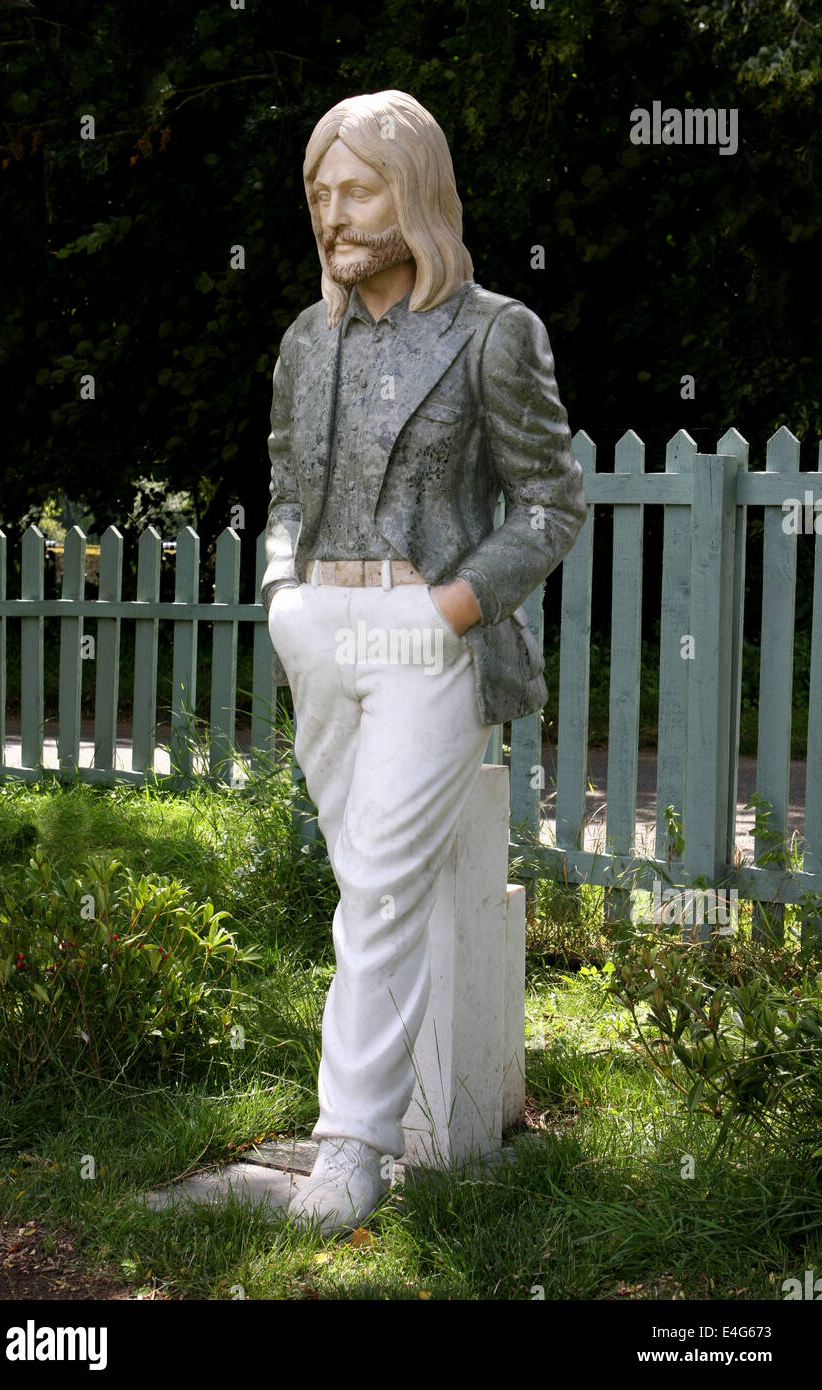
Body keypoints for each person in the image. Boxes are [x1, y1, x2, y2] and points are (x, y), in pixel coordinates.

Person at [262, 89, 587, 1234]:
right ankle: (372, 1118)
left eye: (354, 189)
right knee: (367, 882)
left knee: (381, 882)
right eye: (318, 193)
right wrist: (280, 597)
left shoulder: (497, 332)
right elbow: (283, 495)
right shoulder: (307, 342)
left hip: (429, 639)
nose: (332, 214)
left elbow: (551, 503)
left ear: (413, 191)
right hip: (319, 634)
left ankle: (347, 1145)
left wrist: (452, 606)